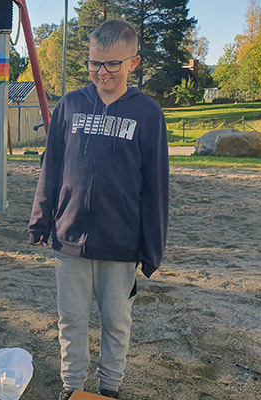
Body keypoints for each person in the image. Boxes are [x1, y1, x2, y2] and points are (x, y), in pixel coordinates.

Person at [28, 20, 169, 400]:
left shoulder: (148, 113)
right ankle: (72, 388)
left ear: (133, 62)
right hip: (69, 236)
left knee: (115, 322)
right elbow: (52, 165)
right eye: (93, 64)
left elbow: (156, 185)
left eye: (111, 65)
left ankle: (109, 390)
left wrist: (151, 247)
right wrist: (42, 219)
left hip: (121, 242)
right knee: (71, 320)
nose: (101, 73)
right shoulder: (71, 105)